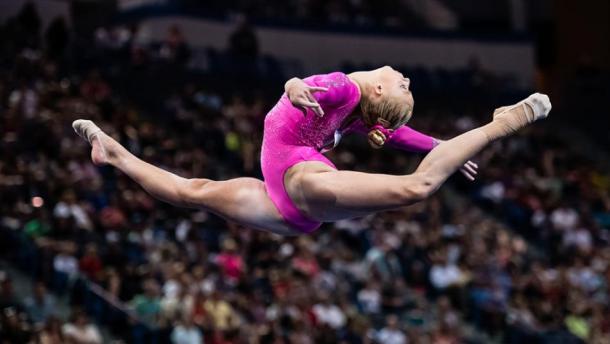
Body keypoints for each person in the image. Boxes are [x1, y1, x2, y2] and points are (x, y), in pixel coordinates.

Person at [73, 66, 551, 235]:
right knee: (192, 191)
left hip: (298, 184)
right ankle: (113, 153)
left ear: (380, 92)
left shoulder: (349, 91)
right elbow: (301, 85)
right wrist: (293, 85)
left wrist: (441, 145)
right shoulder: (347, 96)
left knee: (418, 185)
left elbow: (400, 134)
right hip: (287, 206)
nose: (405, 78)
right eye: (406, 85)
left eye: (402, 86)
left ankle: (501, 123)